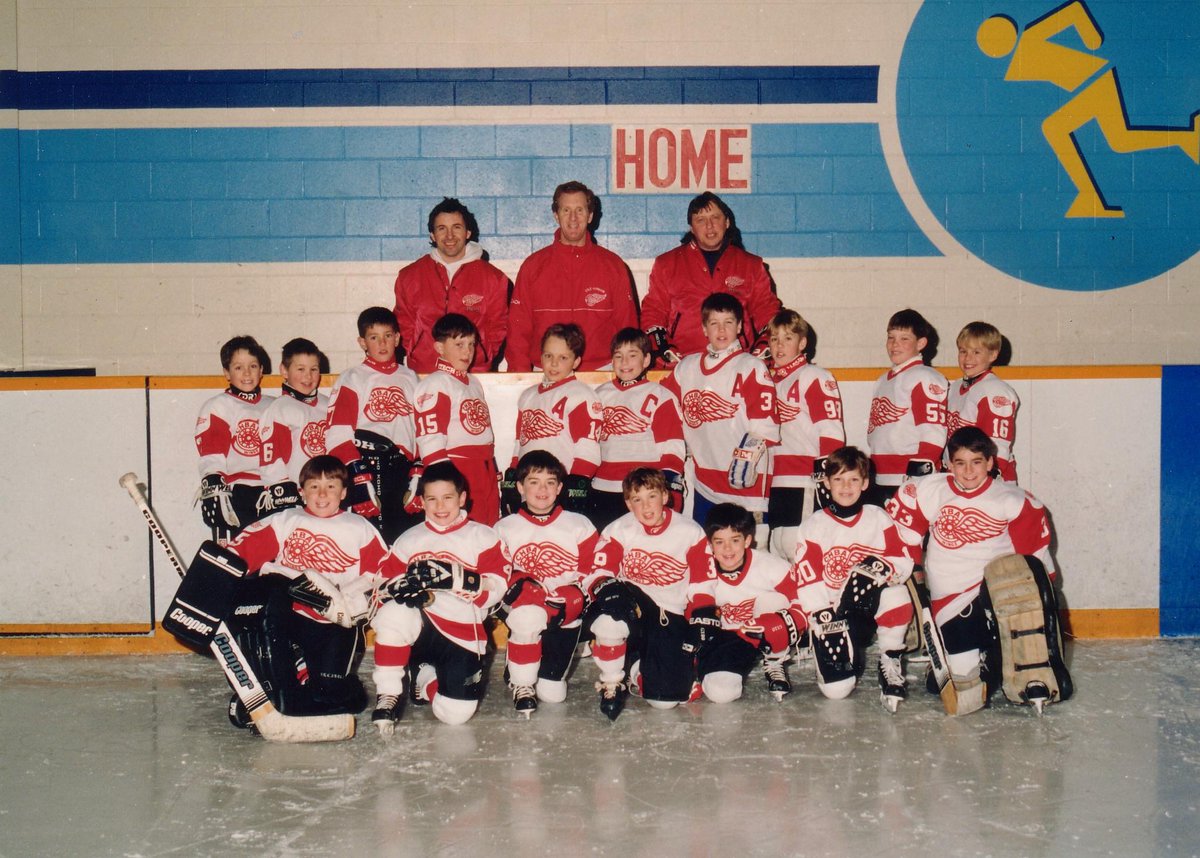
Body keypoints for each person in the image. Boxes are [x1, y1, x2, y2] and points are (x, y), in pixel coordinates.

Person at [165, 455, 386, 731]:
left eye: (331, 487)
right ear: (301, 491)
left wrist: (351, 602)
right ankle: (264, 688)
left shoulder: (360, 528)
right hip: (286, 616)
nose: (322, 494)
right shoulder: (286, 520)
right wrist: (209, 581)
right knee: (270, 593)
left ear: (343, 493)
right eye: (314, 487)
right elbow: (241, 553)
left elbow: (381, 575)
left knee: (333, 694)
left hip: (334, 622)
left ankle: (305, 680)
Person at [886, 427, 1065, 714]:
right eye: (960, 463)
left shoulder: (1013, 499)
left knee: (1020, 606)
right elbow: (904, 540)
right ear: (949, 464)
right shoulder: (928, 490)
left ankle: (1008, 658)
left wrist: (1042, 616)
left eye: (977, 462)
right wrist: (913, 574)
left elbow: (1037, 565)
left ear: (990, 463)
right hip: (950, 600)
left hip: (997, 595)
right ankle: (982, 658)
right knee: (962, 678)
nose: (968, 471)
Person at [369, 461, 510, 730]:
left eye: (448, 498)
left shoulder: (483, 536)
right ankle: (388, 693)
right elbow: (380, 584)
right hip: (420, 629)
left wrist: (457, 579)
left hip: (461, 630)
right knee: (393, 613)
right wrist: (394, 588)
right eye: (432, 499)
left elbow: (497, 589)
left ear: (462, 498)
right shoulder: (409, 539)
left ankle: (425, 677)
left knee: (455, 714)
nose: (440, 506)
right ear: (422, 501)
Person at [581, 468, 716, 720]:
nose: (646, 507)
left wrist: (701, 612)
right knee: (610, 614)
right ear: (628, 503)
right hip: (634, 607)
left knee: (664, 701)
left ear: (665, 496)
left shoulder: (690, 531)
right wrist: (606, 586)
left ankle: (636, 668)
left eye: (652, 496)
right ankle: (612, 682)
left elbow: (702, 581)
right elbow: (598, 570)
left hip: (669, 614)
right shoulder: (619, 529)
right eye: (637, 499)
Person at [793, 446, 915, 712]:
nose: (846, 487)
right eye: (838, 479)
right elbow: (807, 578)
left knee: (896, 592)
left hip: (867, 605)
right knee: (837, 691)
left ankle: (890, 657)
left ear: (865, 483)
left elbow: (902, 560)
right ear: (826, 482)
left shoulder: (879, 517)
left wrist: (878, 569)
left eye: (853, 479)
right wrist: (822, 614)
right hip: (833, 612)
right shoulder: (814, 525)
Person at [661, 292, 779, 544]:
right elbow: (666, 411)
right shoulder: (686, 368)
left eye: (728, 322)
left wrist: (747, 458)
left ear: (740, 326)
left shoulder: (751, 366)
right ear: (704, 328)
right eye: (714, 323)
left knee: (751, 553)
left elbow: (765, 425)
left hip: (745, 479)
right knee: (707, 550)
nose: (722, 330)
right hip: (704, 481)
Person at [493, 451, 600, 716]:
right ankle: (522, 682)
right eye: (534, 482)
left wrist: (577, 594)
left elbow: (594, 570)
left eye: (550, 482)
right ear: (520, 487)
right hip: (527, 610)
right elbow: (496, 574)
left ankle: (527, 659)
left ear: (560, 488)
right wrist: (519, 587)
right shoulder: (504, 528)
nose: (542, 490)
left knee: (552, 695)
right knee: (527, 614)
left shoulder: (579, 524)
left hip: (565, 611)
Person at [507, 181, 639, 372]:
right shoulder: (533, 266)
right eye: (566, 210)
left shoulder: (613, 265)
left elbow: (628, 330)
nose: (573, 218)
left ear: (590, 215)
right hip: (546, 372)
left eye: (580, 210)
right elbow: (518, 333)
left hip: (601, 372)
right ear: (556, 215)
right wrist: (519, 379)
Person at [641, 192, 781, 364]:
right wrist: (662, 348)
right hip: (683, 361)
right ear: (691, 228)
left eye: (715, 217)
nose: (709, 225)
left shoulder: (751, 264)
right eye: (700, 220)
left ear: (727, 222)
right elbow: (653, 312)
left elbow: (766, 309)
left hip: (738, 360)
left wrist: (766, 342)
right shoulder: (666, 264)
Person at [325, 307, 420, 543]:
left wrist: (420, 469)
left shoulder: (411, 377)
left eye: (388, 335)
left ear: (397, 338)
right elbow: (337, 433)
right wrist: (358, 475)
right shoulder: (353, 377)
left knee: (405, 539)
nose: (382, 343)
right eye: (374, 337)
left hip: (404, 468)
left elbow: (420, 429)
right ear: (362, 342)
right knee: (371, 539)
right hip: (368, 466)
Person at [699, 503, 804, 703]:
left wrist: (783, 625)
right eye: (719, 542)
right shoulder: (702, 570)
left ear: (747, 540)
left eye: (735, 540)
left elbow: (803, 600)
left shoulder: (770, 565)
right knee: (721, 694)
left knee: (775, 599)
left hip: (764, 630)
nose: (728, 549)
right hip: (728, 639)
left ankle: (775, 659)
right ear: (710, 544)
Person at [392, 197, 510, 372]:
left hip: (473, 372)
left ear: (467, 232)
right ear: (432, 235)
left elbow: (499, 326)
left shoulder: (494, 278)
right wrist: (417, 351)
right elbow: (403, 322)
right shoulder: (409, 276)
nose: (449, 236)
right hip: (425, 371)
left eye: (456, 227)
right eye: (442, 228)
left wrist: (483, 355)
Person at [765, 309, 845, 561]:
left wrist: (826, 477)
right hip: (776, 480)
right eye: (774, 338)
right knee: (777, 549)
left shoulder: (813, 376)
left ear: (802, 343)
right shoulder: (769, 381)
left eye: (787, 338)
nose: (779, 345)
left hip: (803, 479)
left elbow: (831, 429)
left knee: (797, 548)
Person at [504, 323, 603, 516]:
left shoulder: (580, 394)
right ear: (541, 357)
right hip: (530, 489)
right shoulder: (528, 396)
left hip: (560, 489)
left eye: (563, 357)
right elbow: (519, 443)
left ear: (576, 361)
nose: (554, 363)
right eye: (548, 356)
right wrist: (512, 478)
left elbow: (588, 449)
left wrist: (575, 486)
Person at [592, 328, 686, 531]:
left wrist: (671, 488)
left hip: (642, 492)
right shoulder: (598, 395)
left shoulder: (661, 395)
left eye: (632, 355)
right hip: (603, 488)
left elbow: (672, 448)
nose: (625, 362)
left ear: (646, 360)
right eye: (619, 356)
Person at [412, 313, 500, 525]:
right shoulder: (436, 383)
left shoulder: (473, 382)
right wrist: (446, 481)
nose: (467, 351)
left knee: (488, 527)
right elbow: (430, 438)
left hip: (485, 467)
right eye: (459, 344)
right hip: (457, 467)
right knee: (463, 528)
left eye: (471, 344)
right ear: (440, 347)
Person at [194, 335, 275, 542]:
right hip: (237, 494)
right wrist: (213, 482)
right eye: (238, 367)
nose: (247, 373)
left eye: (253, 366)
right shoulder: (219, 406)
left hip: (273, 492)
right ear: (226, 373)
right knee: (235, 558)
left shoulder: (275, 405)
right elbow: (212, 454)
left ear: (261, 370)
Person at [866, 308, 947, 505]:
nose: (895, 344)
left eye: (904, 339)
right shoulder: (882, 380)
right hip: (881, 477)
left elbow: (933, 430)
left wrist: (918, 476)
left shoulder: (924, 377)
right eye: (891, 337)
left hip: (908, 478)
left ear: (921, 343)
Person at [256, 337, 331, 517]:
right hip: (296, 498)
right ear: (284, 370)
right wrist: (283, 492)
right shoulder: (280, 408)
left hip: (328, 496)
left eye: (314, 369)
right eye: (300, 369)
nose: (308, 376)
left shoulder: (328, 405)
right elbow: (271, 460)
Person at [946, 321, 1019, 482]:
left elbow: (997, 445)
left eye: (976, 352)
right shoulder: (955, 387)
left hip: (986, 480)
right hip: (962, 476)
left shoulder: (994, 391)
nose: (968, 358)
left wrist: (989, 481)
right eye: (963, 351)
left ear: (993, 355)